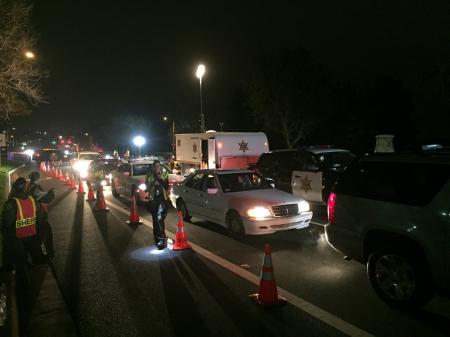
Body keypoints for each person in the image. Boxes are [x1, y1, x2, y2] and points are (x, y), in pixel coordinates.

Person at [1, 177, 46, 335]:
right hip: (31, 236)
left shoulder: (11, 204)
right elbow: (40, 217)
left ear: (15, 189)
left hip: (17, 239)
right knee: (36, 260)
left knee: (20, 266)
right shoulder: (32, 200)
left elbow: (6, 225)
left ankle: (25, 293)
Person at [27, 171, 56, 257]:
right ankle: (45, 254)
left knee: (41, 235)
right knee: (44, 234)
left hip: (35, 214)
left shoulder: (30, 186)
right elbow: (45, 198)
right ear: (37, 178)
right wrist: (52, 193)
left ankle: (40, 255)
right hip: (38, 215)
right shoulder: (34, 188)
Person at [145, 160, 169, 249]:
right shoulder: (149, 175)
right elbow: (146, 187)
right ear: (153, 167)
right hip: (153, 200)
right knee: (155, 220)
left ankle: (161, 239)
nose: (157, 168)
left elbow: (166, 186)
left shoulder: (164, 174)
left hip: (162, 200)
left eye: (158, 166)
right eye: (155, 166)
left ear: (160, 167)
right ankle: (157, 238)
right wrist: (152, 184)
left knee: (160, 219)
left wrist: (160, 179)